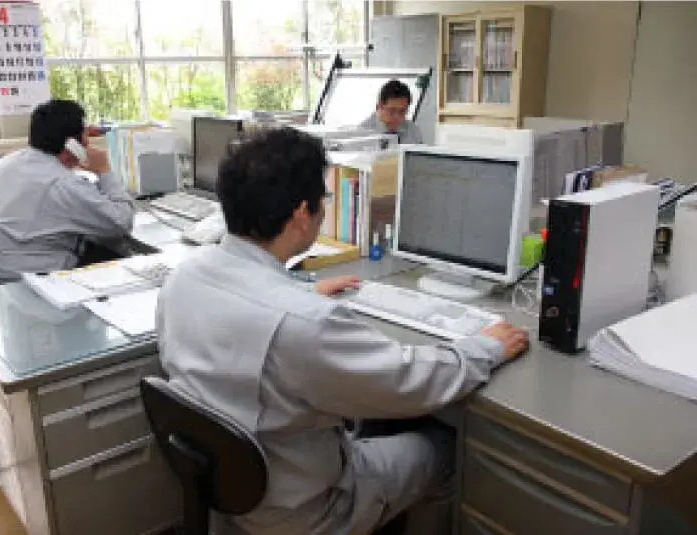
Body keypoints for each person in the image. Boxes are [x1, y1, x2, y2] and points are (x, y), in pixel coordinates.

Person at [156, 128, 528, 535]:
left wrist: (296, 293)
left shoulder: (184, 278)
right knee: (446, 451)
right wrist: (486, 348)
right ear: (303, 213)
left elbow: (250, 313)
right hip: (305, 508)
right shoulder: (306, 323)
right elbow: (408, 381)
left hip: (233, 488)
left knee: (371, 427)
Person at [0, 99, 134, 284]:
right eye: (85, 133)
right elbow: (122, 222)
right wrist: (104, 170)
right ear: (72, 144)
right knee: (120, 256)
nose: (87, 141)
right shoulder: (62, 184)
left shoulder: (5, 164)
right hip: (33, 285)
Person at [359, 79, 424, 144]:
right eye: (392, 110)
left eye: (402, 111)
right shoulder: (361, 134)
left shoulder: (414, 131)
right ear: (378, 107)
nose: (397, 117)